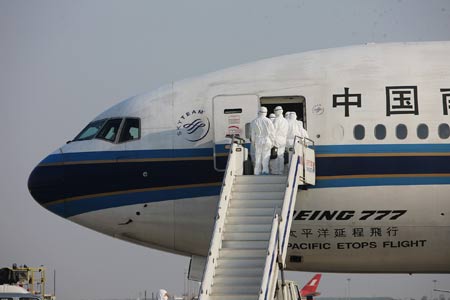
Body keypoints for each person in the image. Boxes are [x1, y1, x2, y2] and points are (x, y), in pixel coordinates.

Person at [250, 106, 275, 175]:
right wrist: (272, 142)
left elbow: (253, 134)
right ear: (266, 113)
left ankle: (257, 172)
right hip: (267, 140)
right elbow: (272, 133)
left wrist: (253, 142)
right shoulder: (269, 121)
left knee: (258, 156)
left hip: (258, 140)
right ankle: (265, 171)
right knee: (266, 156)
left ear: (259, 112)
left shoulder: (254, 121)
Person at [272, 106, 289, 175]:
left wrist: (272, 140)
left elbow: (273, 131)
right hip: (283, 139)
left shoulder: (276, 120)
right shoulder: (285, 121)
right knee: (281, 156)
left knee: (275, 155)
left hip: (277, 139)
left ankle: (276, 171)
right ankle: (281, 171)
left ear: (277, 111)